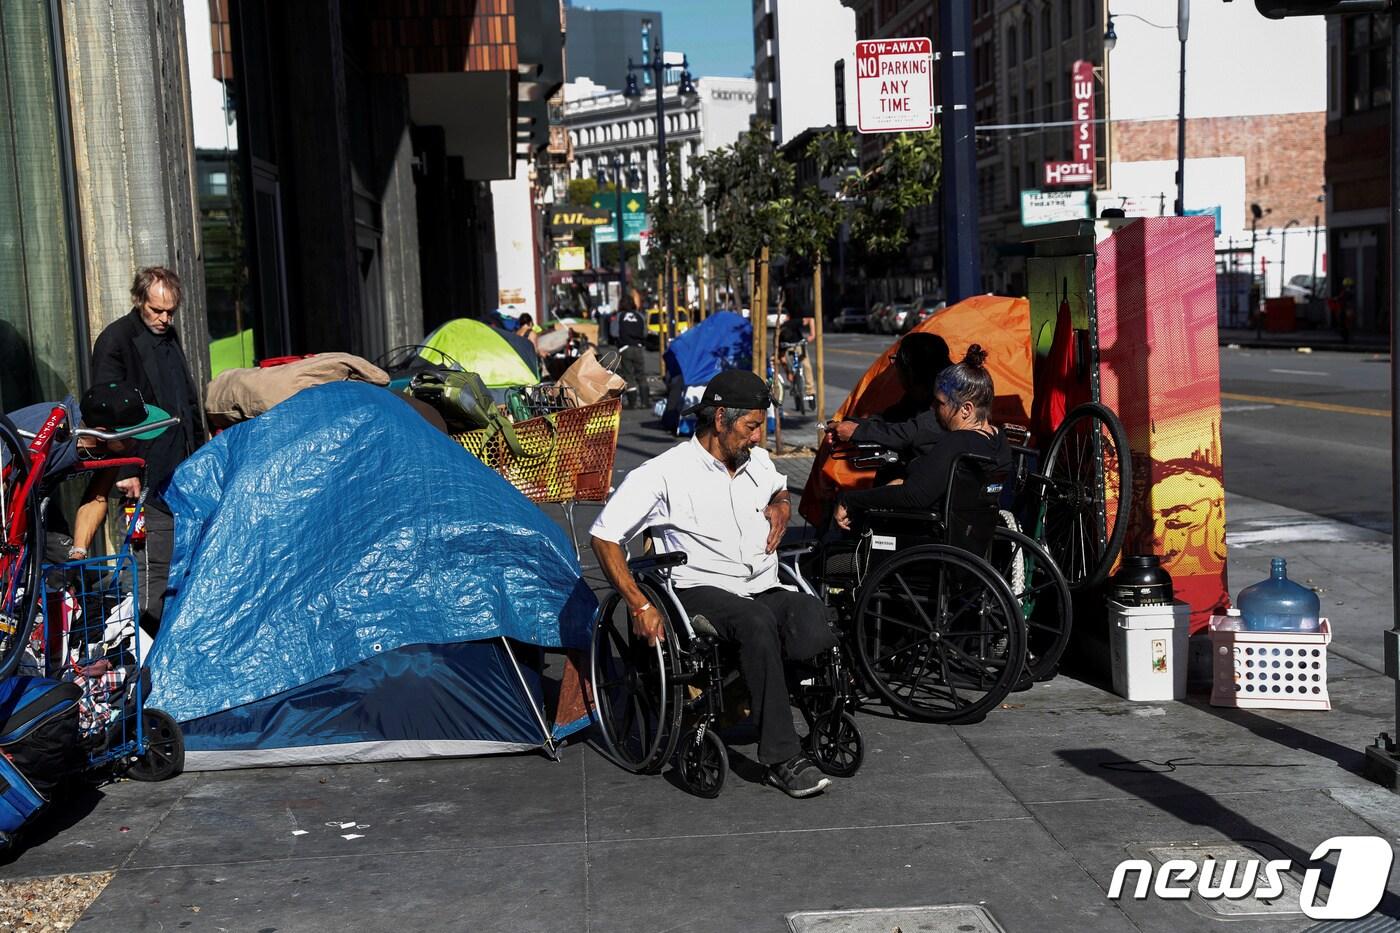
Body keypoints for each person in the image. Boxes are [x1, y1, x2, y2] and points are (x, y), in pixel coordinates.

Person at [590, 370, 838, 798]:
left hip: (760, 583)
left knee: (813, 614)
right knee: (756, 623)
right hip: (698, 590)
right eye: (752, 426)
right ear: (721, 417)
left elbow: (779, 488)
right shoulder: (663, 474)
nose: (759, 437)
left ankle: (765, 690)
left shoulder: (756, 460)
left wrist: (781, 505)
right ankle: (782, 757)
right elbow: (604, 536)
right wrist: (637, 604)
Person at [90, 266, 205, 636]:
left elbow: (185, 399)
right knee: (151, 568)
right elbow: (106, 414)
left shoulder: (168, 336)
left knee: (181, 561)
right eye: (157, 310)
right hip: (143, 472)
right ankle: (146, 654)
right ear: (139, 300)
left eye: (170, 311)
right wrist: (125, 473)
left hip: (182, 467)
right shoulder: (116, 341)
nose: (164, 318)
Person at [834, 345, 1011, 531]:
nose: (933, 408)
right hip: (971, 531)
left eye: (940, 402)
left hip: (932, 533)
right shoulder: (999, 440)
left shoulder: (956, 443)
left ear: (966, 409)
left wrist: (850, 499)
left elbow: (913, 497)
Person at [5, 382, 174, 562]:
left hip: (33, 496)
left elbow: (97, 497)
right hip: (8, 490)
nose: (138, 443)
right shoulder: (52, 443)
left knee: (63, 564)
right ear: (101, 433)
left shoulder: (113, 447)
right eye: (132, 436)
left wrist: (79, 551)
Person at [825, 332, 951, 462]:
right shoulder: (919, 394)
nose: (895, 369)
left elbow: (909, 433)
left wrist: (856, 431)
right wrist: (849, 424)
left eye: (897, 362)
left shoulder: (949, 394)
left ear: (912, 370)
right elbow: (890, 418)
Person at [615, 294, 649, 410]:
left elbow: (614, 332)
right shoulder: (640, 316)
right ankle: (645, 402)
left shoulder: (619, 316)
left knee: (629, 376)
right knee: (641, 375)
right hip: (638, 348)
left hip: (625, 348)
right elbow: (645, 333)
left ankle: (632, 403)